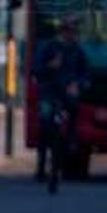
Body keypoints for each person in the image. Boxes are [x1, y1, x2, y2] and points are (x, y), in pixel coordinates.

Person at [30, 17, 90, 183]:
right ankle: (41, 166)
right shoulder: (48, 48)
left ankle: (70, 142)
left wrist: (78, 84)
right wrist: (50, 66)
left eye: (74, 32)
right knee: (45, 124)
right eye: (68, 31)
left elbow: (86, 74)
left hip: (66, 95)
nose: (71, 35)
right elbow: (35, 69)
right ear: (62, 32)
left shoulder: (77, 51)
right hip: (49, 93)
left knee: (72, 111)